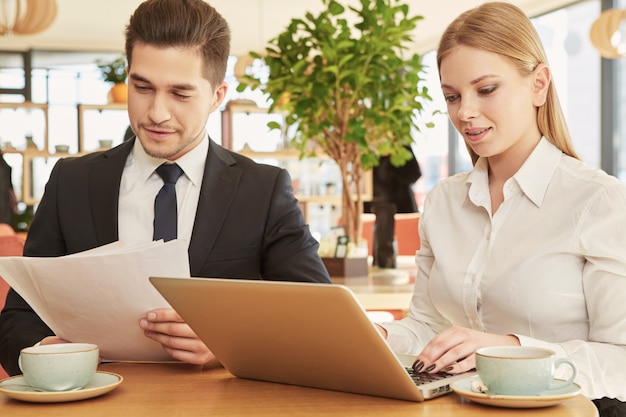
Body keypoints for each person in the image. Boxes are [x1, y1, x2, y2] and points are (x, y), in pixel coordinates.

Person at [0, 0, 331, 376]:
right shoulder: (71, 183)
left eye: (180, 94)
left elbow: (318, 317)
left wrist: (228, 344)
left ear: (217, 96)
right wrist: (47, 352)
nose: (157, 112)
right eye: (142, 87)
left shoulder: (263, 189)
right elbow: (18, 317)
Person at [377, 3, 626, 415]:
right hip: (458, 407)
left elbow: (621, 359)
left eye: (486, 89)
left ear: (539, 85)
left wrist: (509, 351)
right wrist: (377, 336)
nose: (465, 113)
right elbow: (427, 327)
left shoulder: (597, 201)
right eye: (452, 96)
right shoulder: (443, 203)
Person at [367, 145, 421, 268]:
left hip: (398, 204)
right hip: (373, 203)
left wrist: (393, 160)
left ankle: (387, 264)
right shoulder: (366, 147)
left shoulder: (399, 145)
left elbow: (414, 174)